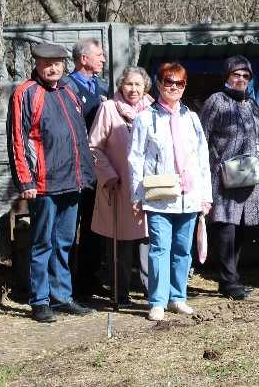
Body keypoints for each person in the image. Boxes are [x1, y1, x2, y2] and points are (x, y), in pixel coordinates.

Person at [6, 42, 95, 323]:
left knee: (65, 242)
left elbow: (79, 137)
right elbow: (17, 141)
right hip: (42, 184)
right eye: (47, 62)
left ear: (65, 64)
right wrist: (25, 181)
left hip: (72, 181)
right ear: (37, 64)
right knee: (42, 243)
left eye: (57, 62)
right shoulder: (25, 93)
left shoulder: (69, 92)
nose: (52, 67)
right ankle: (40, 300)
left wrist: (86, 175)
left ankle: (62, 296)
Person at [128, 62, 213, 320]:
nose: (173, 87)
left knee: (182, 249)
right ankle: (157, 300)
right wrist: (136, 196)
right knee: (159, 248)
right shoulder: (145, 118)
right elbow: (135, 158)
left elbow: (202, 158)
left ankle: (178, 297)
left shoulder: (192, 118)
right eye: (168, 82)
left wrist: (205, 196)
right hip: (159, 196)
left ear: (185, 86)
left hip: (189, 196)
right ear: (159, 83)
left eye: (179, 83)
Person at [200, 56, 259, 300]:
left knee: (242, 229)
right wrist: (214, 166)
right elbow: (202, 138)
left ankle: (231, 279)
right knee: (227, 229)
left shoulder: (253, 105)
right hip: (224, 178)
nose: (241, 79)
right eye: (236, 74)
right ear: (227, 76)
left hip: (250, 177)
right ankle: (229, 280)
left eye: (245, 75)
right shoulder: (216, 101)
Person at [88, 67, 154, 305]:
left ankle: (152, 292)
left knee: (149, 239)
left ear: (145, 86)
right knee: (121, 243)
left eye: (138, 84)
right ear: (120, 86)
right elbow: (93, 147)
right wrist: (108, 174)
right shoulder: (108, 109)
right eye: (129, 84)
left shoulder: (152, 109)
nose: (133, 89)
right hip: (120, 186)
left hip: (149, 187)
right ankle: (120, 293)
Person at [65, 38, 109, 300]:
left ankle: (90, 279)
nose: (103, 59)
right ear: (83, 59)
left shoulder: (102, 87)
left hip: (98, 169)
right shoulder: (66, 87)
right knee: (71, 228)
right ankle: (69, 285)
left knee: (94, 227)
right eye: (99, 55)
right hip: (73, 169)